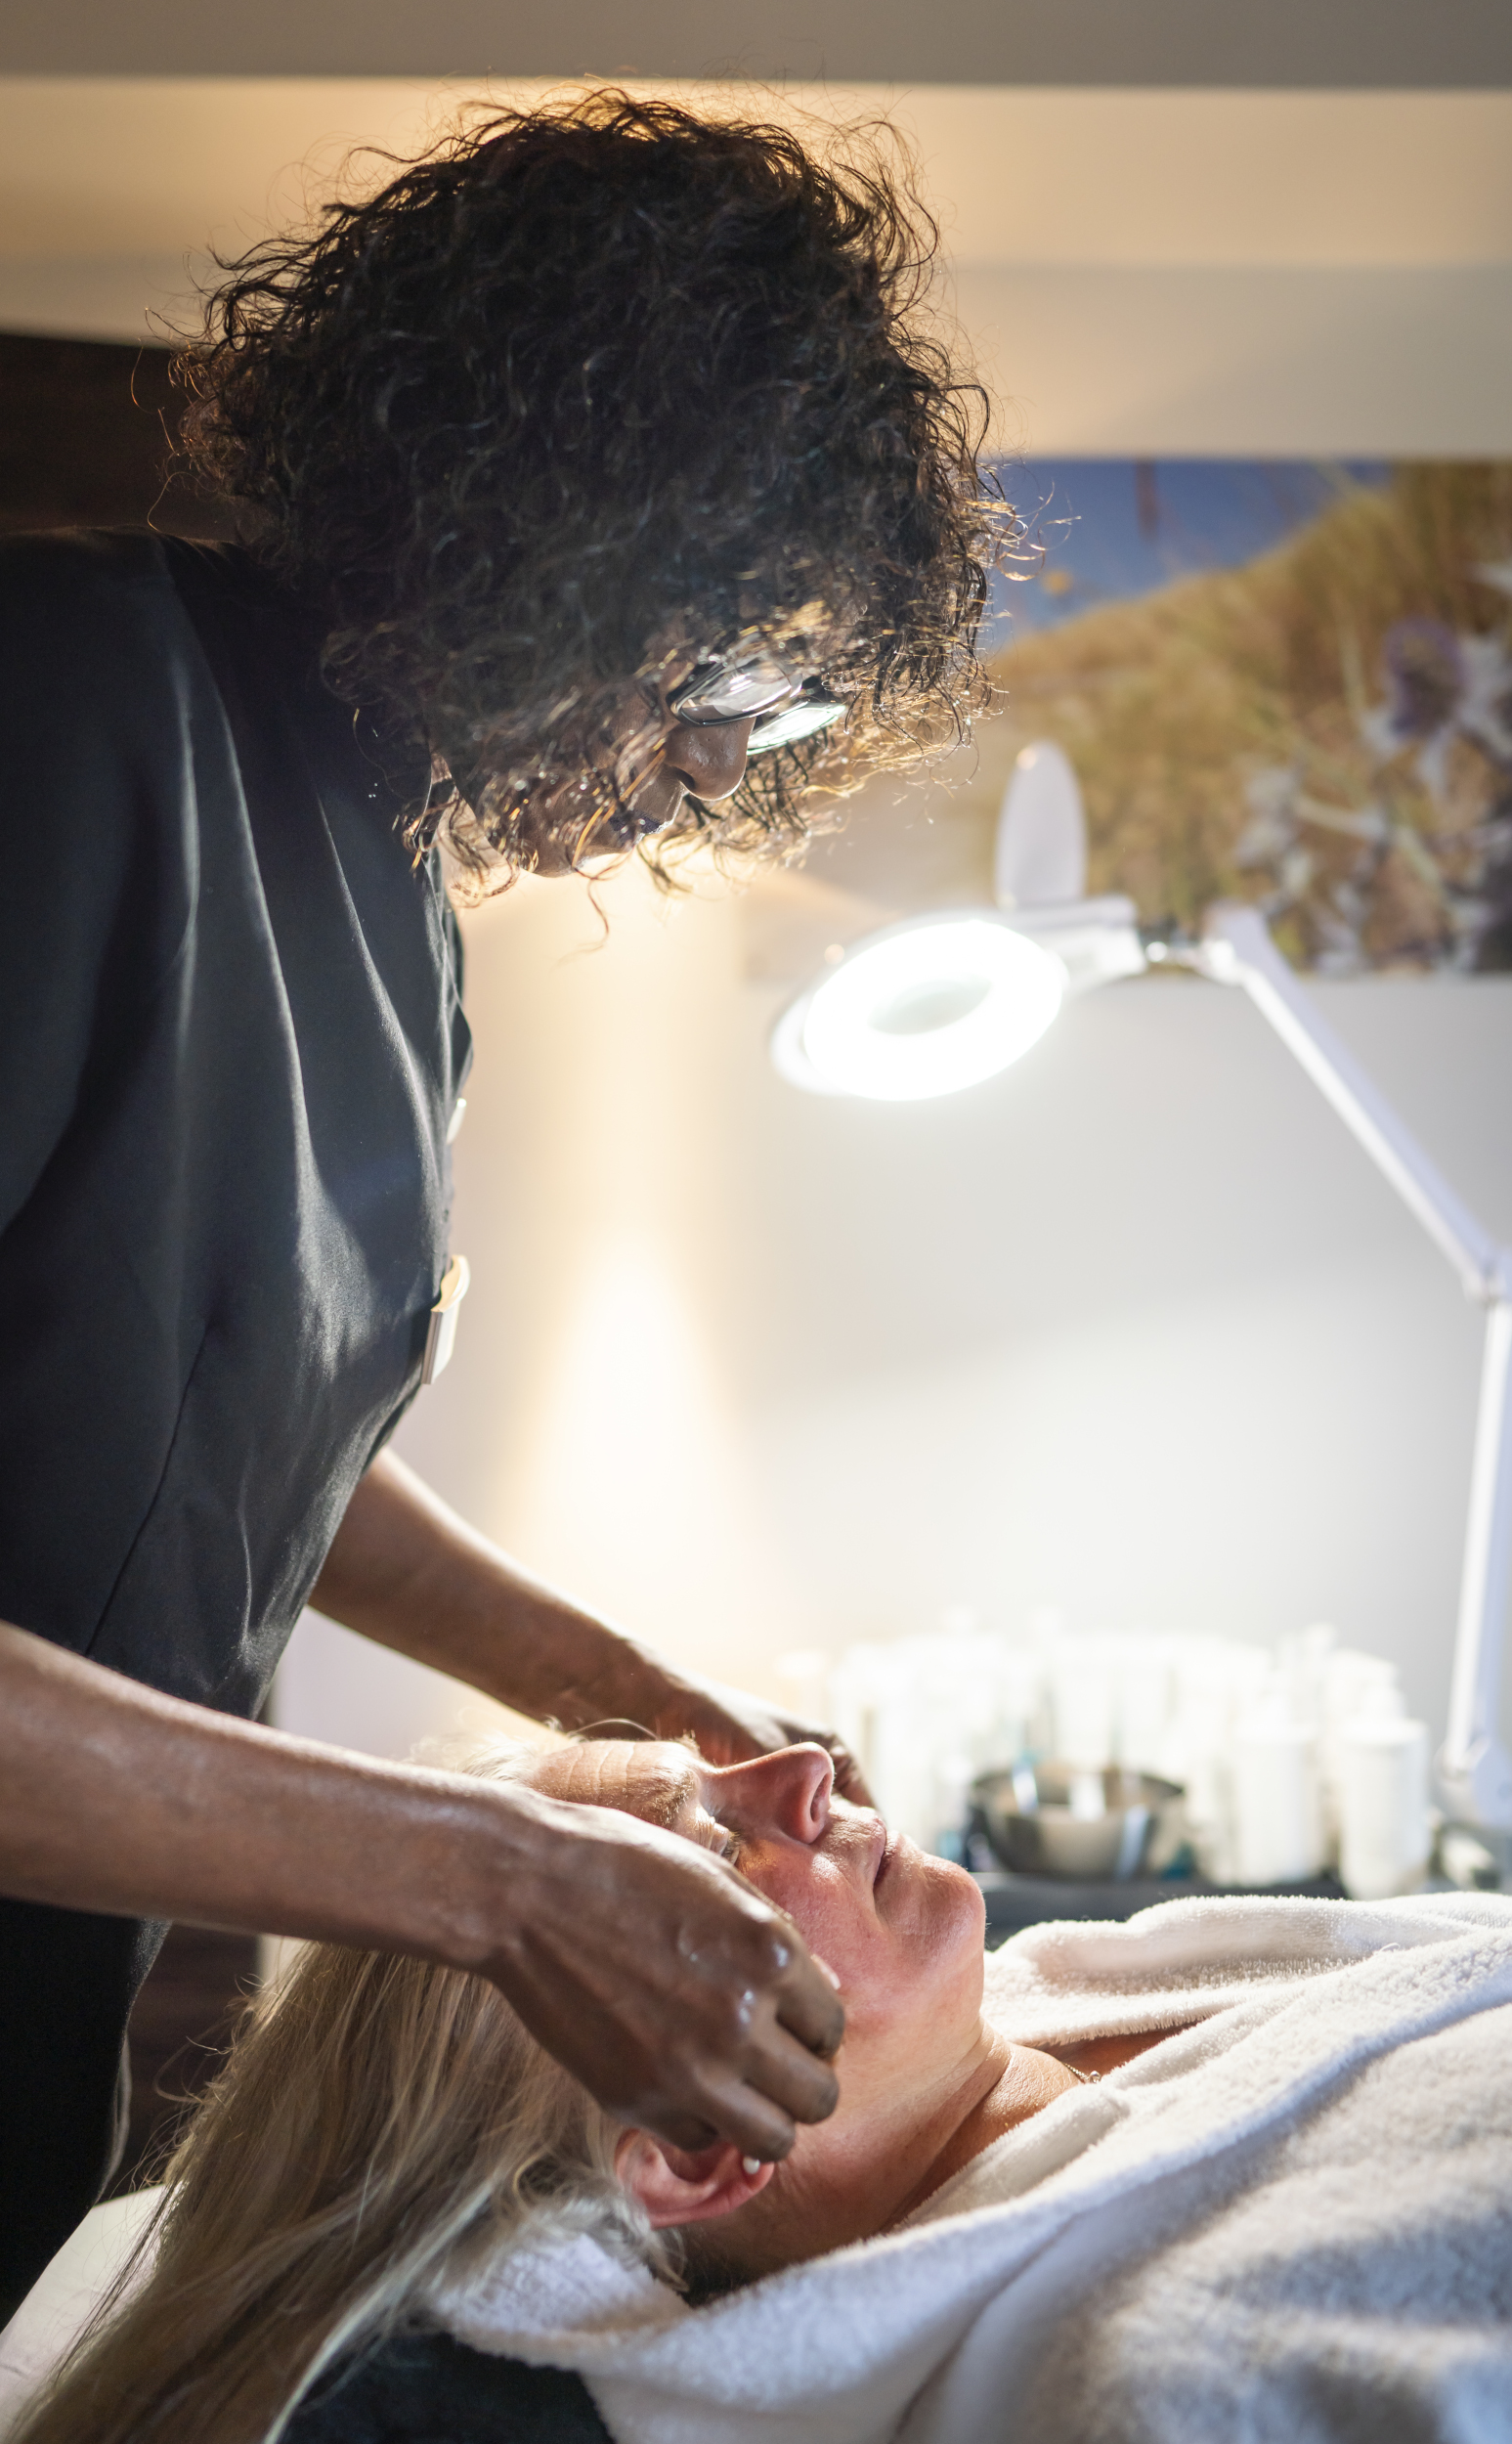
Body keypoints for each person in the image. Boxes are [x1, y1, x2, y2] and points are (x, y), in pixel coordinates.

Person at [0, 88, 1001, 2322]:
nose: (736, 761)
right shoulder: (67, 712)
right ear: (572, 519)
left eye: (795, 702)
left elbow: (237, 1427)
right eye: (738, 667)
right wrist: (495, 1871)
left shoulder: (400, 930)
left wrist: (642, 1694)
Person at [14, 1734, 1512, 2444]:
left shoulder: (1091, 1975)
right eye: (718, 1849)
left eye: (727, 1774)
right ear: (693, 2142)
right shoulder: (1171, 2369)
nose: (814, 1760)